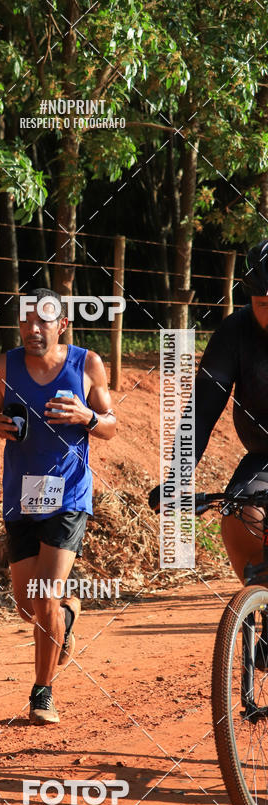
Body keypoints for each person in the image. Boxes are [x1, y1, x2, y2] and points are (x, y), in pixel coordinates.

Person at [0, 290, 117, 725]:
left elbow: (111, 426)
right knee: (28, 606)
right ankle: (70, 614)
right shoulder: (3, 367)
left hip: (69, 495)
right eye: (26, 321)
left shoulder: (87, 363)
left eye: (43, 321)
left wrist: (87, 417)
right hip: (21, 496)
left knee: (44, 598)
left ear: (62, 325)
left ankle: (42, 693)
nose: (33, 329)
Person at [149, 240, 268, 594]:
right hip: (264, 458)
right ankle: (256, 604)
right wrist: (178, 477)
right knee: (237, 512)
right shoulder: (235, 332)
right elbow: (202, 409)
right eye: (263, 304)